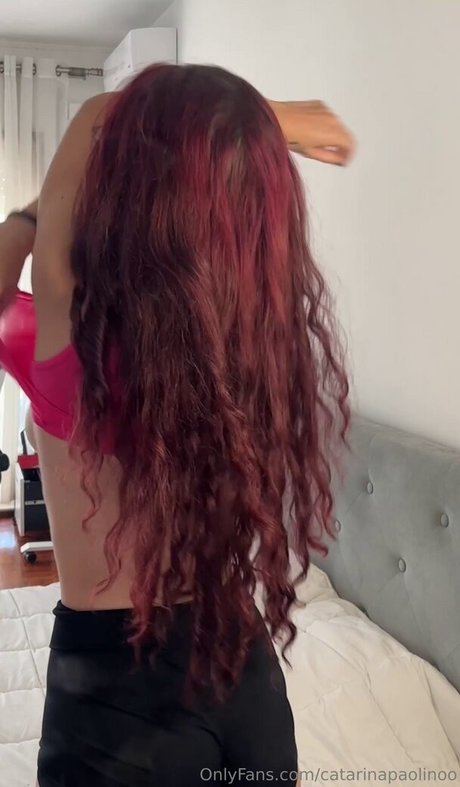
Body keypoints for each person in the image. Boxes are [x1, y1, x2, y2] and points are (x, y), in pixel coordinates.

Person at [0, 64, 352, 786]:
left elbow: (99, 118)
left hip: (114, 701)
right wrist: (263, 120)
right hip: (244, 678)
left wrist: (25, 220)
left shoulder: (66, 353)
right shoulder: (247, 368)